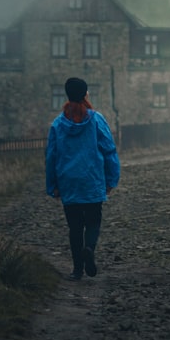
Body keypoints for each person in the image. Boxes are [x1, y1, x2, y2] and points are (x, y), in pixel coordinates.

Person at [45, 77, 120, 281]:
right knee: (93, 221)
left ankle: (77, 270)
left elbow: (51, 156)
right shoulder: (96, 120)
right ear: (86, 95)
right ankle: (89, 248)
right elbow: (109, 150)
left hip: (68, 182)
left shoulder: (58, 124)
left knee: (75, 227)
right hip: (92, 179)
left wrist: (52, 185)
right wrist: (112, 179)